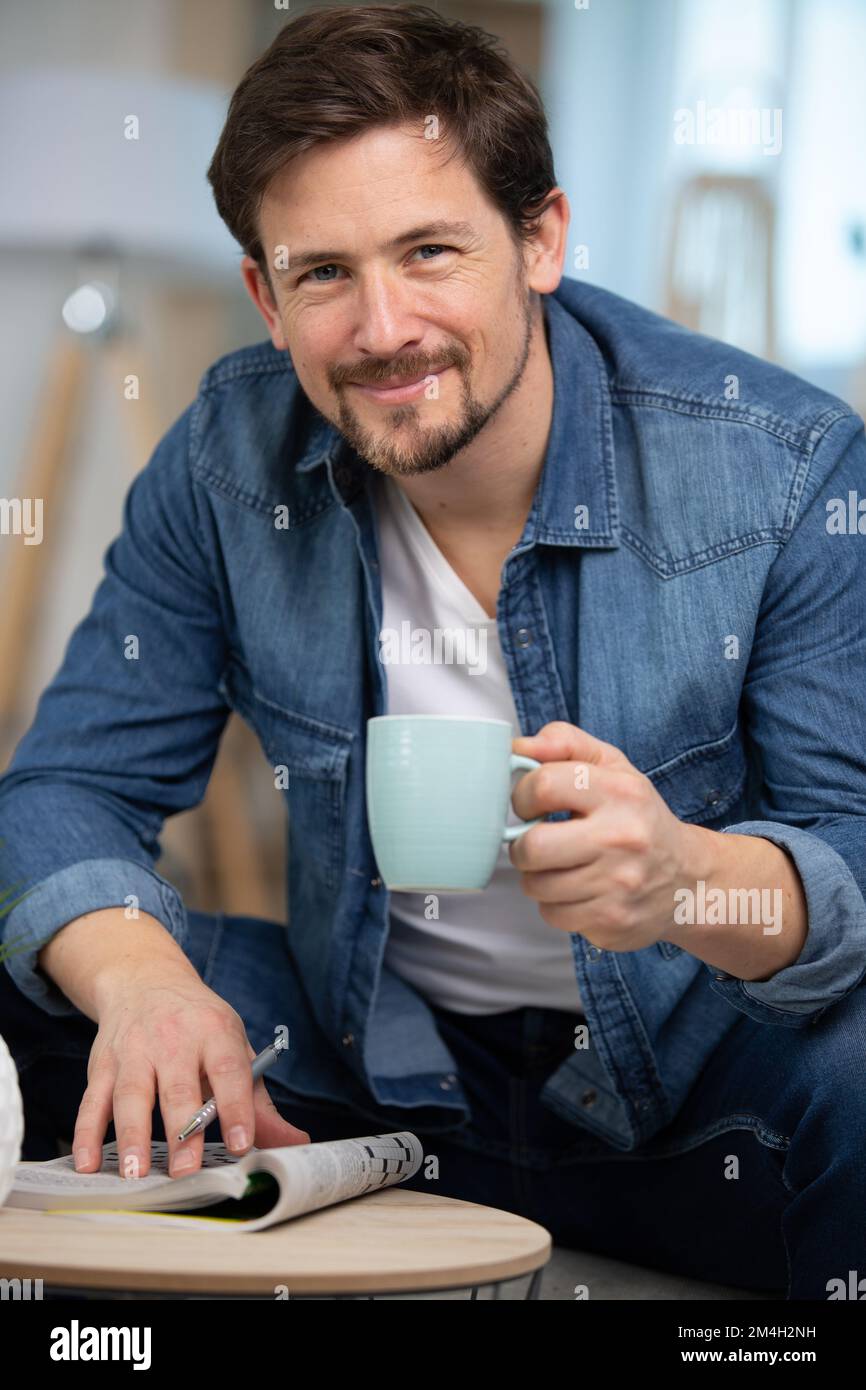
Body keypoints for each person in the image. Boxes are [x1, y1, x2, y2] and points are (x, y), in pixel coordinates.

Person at [1, 5, 865, 1300]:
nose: (384, 327)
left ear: (540, 240)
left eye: (429, 251)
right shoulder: (224, 462)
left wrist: (687, 879)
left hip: (700, 1094)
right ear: (264, 295)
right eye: (324, 273)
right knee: (60, 973)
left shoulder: (780, 468)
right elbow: (68, 785)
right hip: (357, 1070)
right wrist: (141, 983)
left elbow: (849, 858)